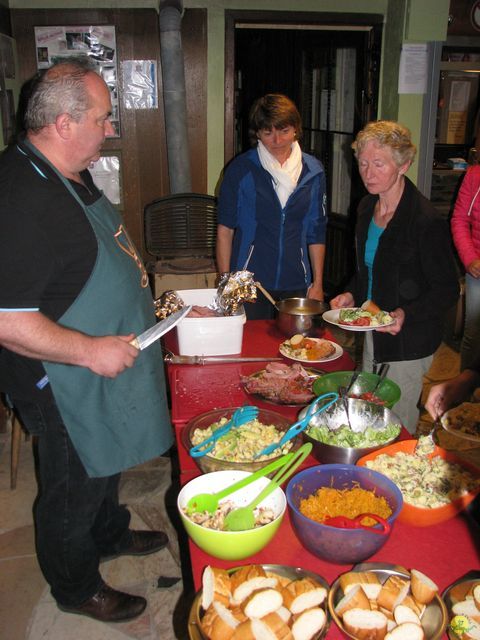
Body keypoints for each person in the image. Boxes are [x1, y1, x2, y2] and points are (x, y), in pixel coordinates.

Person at [0, 61, 173, 623]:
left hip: (98, 357)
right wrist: (89, 350)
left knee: (106, 458)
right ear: (65, 122)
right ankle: (75, 587)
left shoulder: (68, 169)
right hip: (59, 376)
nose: (110, 129)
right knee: (72, 483)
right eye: (103, 119)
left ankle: (109, 533)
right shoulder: (21, 198)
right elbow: (7, 320)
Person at [330, 120, 459, 434]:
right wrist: (349, 293)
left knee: (394, 422)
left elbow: (447, 289)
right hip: (374, 326)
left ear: (404, 165)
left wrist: (405, 314)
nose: (368, 173)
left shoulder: (424, 220)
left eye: (379, 164)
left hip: (409, 340)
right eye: (362, 163)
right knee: (369, 409)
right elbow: (367, 270)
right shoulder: (365, 208)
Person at [216, 93, 327, 319]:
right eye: (268, 133)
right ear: (257, 133)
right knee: (252, 348)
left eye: (284, 131)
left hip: (297, 280)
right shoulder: (241, 169)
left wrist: (318, 283)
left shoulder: (314, 171)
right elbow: (225, 230)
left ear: (296, 129)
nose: (277, 141)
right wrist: (225, 280)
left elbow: (317, 232)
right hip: (248, 283)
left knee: (295, 348)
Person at [451, 163, 480, 371]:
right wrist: (470, 259)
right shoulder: (474, 175)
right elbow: (460, 220)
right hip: (477, 271)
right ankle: (466, 387)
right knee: (474, 332)